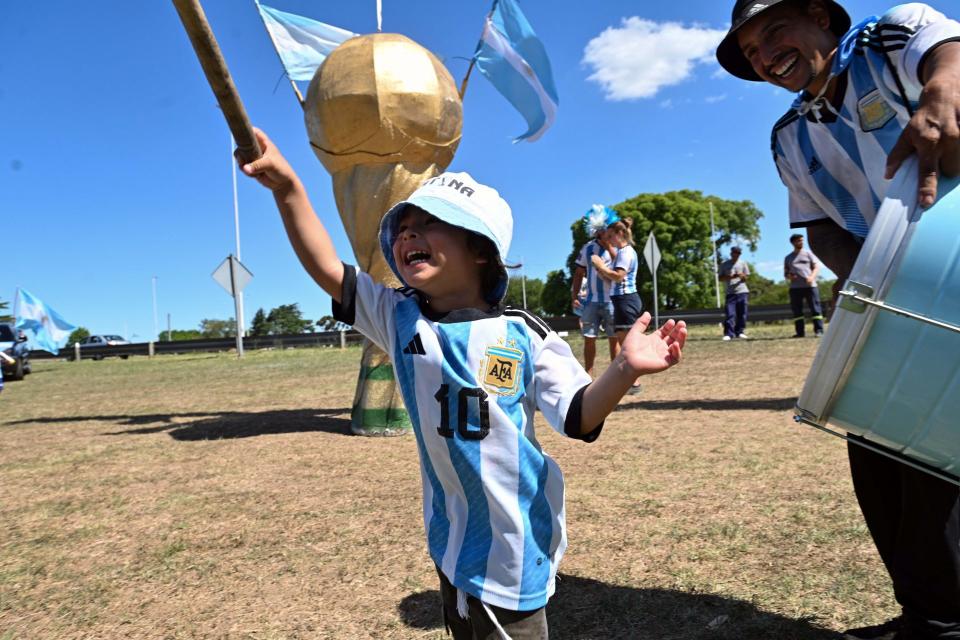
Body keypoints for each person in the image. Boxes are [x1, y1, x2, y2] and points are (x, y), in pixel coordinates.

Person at [240, 128, 687, 639]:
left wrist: (623, 370)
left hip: (513, 546)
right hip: (449, 539)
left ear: (480, 250)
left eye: (430, 224)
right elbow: (327, 268)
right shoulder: (398, 318)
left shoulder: (523, 335)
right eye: (403, 228)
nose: (408, 235)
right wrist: (288, 187)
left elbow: (579, 415)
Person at [716, 1, 960, 638]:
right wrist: (877, 280)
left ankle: (946, 621)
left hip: (955, 269)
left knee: (937, 451)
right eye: (751, 53)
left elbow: (949, 51)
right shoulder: (789, 136)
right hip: (896, 296)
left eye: (774, 32)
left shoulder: (890, 42)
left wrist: (942, 91)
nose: (766, 56)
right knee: (872, 438)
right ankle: (924, 611)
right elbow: (820, 225)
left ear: (823, 16)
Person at [589, 217, 644, 392]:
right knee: (624, 343)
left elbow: (619, 276)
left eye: (611, 236)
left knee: (627, 345)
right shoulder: (624, 252)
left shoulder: (625, 252)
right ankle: (630, 381)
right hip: (622, 299)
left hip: (626, 300)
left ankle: (633, 382)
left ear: (621, 234)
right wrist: (601, 271)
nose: (608, 240)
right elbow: (615, 279)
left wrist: (600, 265)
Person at [570, 205, 621, 376]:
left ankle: (615, 376)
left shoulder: (618, 248)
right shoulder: (588, 248)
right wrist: (575, 295)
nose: (607, 233)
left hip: (612, 300)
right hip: (591, 301)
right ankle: (588, 375)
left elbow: (621, 269)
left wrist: (609, 248)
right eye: (604, 230)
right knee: (589, 338)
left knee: (614, 339)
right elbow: (579, 273)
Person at [784, 233, 825, 337]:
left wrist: (812, 277)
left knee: (815, 308)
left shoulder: (808, 254)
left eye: (802, 240)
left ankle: (819, 330)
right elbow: (786, 273)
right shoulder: (788, 257)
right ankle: (800, 332)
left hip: (810, 286)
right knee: (797, 310)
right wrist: (790, 276)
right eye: (799, 241)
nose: (801, 242)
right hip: (795, 288)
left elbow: (816, 267)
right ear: (793, 243)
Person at [718, 246, 750, 340]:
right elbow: (720, 278)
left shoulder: (743, 263)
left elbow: (746, 278)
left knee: (742, 313)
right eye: (735, 252)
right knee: (730, 314)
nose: (736, 254)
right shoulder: (724, 264)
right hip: (730, 293)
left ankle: (740, 332)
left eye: (738, 253)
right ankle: (728, 333)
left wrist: (742, 276)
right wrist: (732, 277)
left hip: (742, 291)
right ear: (731, 253)